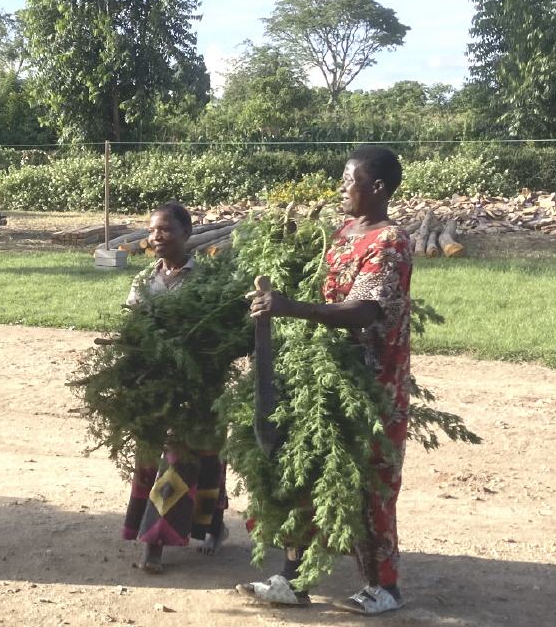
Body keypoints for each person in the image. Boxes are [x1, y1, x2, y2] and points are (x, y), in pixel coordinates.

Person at [238, 145, 414, 615]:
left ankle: (384, 586)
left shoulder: (389, 241)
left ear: (377, 187)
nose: (341, 187)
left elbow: (364, 310)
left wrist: (291, 308)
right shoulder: (343, 232)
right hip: (321, 373)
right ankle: (293, 580)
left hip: (371, 384)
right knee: (305, 469)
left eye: (348, 180)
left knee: (368, 481)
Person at [121, 202, 231, 574]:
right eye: (152, 231)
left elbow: (220, 332)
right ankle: (154, 541)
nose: (156, 237)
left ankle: (213, 526)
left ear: (187, 233)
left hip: (197, 387)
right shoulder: (143, 281)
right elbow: (131, 329)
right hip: (156, 386)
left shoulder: (206, 279)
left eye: (165, 230)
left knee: (203, 458)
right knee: (157, 459)